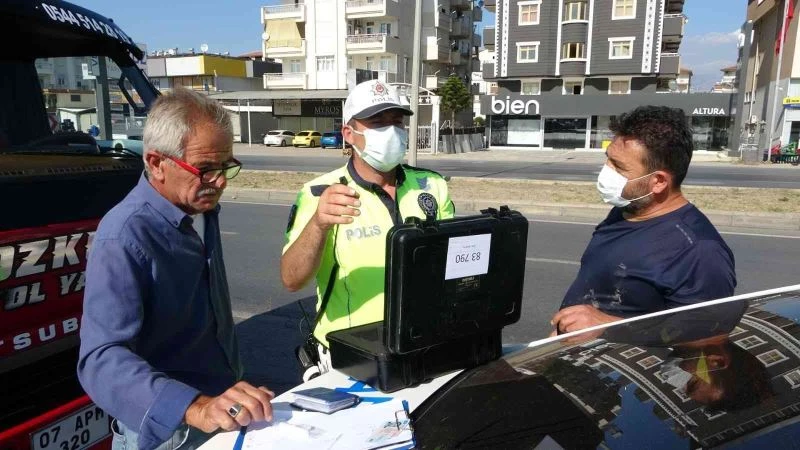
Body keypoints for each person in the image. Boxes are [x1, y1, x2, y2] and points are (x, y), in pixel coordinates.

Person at [78, 88, 274, 450]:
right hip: (173, 432)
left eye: (226, 165)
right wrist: (194, 406)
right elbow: (100, 359)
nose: (220, 181)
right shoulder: (124, 234)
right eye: (204, 169)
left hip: (224, 407)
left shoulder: (200, 207)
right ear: (156, 163)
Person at [280, 79, 455, 378]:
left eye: (396, 122)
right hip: (352, 358)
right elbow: (292, 279)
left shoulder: (432, 185)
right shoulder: (319, 193)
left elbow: (453, 265)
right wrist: (319, 223)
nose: (390, 131)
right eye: (377, 123)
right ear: (349, 133)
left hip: (424, 345)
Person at [551, 106, 736, 335]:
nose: (606, 171)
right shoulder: (628, 208)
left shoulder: (699, 251)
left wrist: (607, 327)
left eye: (619, 167)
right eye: (608, 159)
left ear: (658, 181)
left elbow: (706, 339)